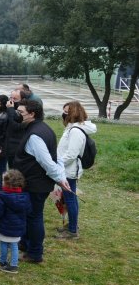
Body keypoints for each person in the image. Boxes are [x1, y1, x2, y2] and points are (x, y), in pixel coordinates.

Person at [11, 99, 71, 264]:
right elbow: (55, 157)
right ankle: (25, 243)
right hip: (33, 182)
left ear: (32, 114)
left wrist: (60, 178)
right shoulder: (44, 128)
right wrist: (60, 176)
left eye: (21, 113)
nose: (17, 115)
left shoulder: (35, 135)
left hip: (35, 184)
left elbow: (47, 161)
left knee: (34, 217)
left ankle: (35, 253)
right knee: (28, 215)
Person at [55, 100, 97, 240]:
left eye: (67, 112)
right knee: (71, 198)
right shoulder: (72, 128)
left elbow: (71, 155)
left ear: (74, 113)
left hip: (69, 171)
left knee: (70, 199)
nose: (64, 114)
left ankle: (72, 231)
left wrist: (57, 165)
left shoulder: (76, 131)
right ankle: (73, 225)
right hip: (66, 169)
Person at [0, 169, 32, 274]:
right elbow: (29, 210)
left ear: (7, 184)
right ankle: (13, 265)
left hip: (4, 227)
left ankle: (3, 261)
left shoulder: (2, 197)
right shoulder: (25, 197)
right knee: (14, 245)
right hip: (18, 228)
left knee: (3, 243)